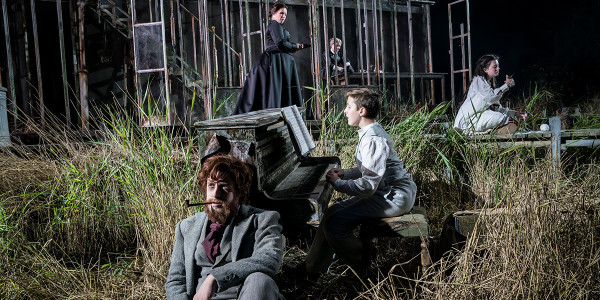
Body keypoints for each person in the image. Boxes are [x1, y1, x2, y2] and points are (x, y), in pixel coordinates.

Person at [304, 88, 417, 274]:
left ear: (362, 111)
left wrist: (338, 184)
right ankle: (313, 268)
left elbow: (368, 186)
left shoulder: (372, 139)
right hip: (390, 192)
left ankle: (365, 267)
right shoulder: (370, 132)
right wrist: (345, 173)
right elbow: (371, 169)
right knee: (332, 211)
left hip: (395, 197)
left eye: (349, 107)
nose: (345, 111)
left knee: (335, 223)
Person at [165, 155, 284, 300]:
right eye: (211, 186)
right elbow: (175, 280)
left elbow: (269, 258)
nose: (216, 194)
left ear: (239, 192)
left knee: (260, 280)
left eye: (224, 187)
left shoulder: (262, 219)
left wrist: (215, 278)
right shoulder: (186, 227)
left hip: (245, 296)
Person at [233, 3, 305, 115]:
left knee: (277, 92)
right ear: (273, 13)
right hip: (274, 62)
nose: (284, 16)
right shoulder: (274, 25)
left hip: (280, 62)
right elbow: (280, 44)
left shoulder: (278, 26)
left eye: (285, 14)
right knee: (272, 92)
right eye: (281, 13)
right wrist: (295, 46)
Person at [453, 54, 526, 134]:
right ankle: (480, 132)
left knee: (512, 121)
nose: (498, 68)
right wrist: (506, 86)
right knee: (505, 119)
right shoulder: (478, 80)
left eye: (498, 66)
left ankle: (489, 132)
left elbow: (496, 108)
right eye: (495, 67)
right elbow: (490, 97)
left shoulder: (488, 85)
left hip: (479, 117)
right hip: (469, 120)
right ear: (485, 70)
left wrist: (515, 113)